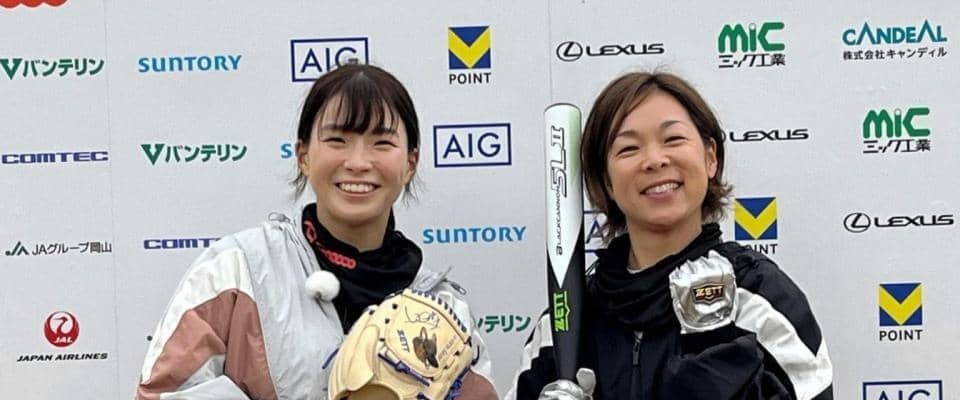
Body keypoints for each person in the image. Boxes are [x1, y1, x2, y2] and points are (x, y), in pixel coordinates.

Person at [136, 63, 498, 400]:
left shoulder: (443, 308)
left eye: (382, 143)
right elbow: (163, 393)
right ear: (304, 156)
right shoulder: (238, 271)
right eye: (337, 140)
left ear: (410, 164)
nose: (358, 162)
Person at [507, 72, 833, 399]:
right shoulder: (565, 322)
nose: (654, 160)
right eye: (629, 148)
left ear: (710, 157)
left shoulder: (758, 297)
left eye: (673, 139)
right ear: (606, 181)